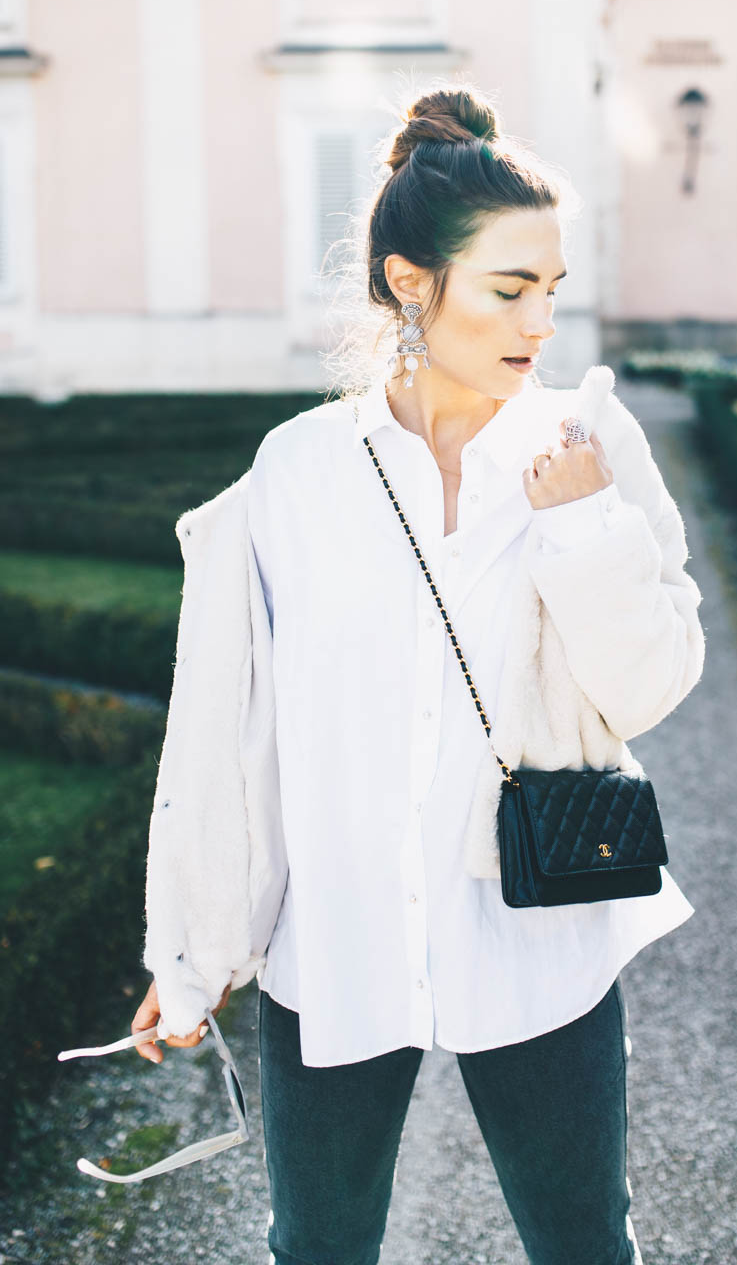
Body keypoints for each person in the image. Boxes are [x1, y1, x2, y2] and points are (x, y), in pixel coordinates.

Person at [131, 82, 706, 1265]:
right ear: (409, 282)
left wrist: (585, 528)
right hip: (337, 941)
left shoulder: (588, 447)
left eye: (551, 290)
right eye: (508, 289)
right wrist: (189, 956)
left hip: (538, 929)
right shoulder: (296, 473)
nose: (538, 323)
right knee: (320, 1246)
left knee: (584, 1242)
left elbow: (650, 686)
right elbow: (230, 738)